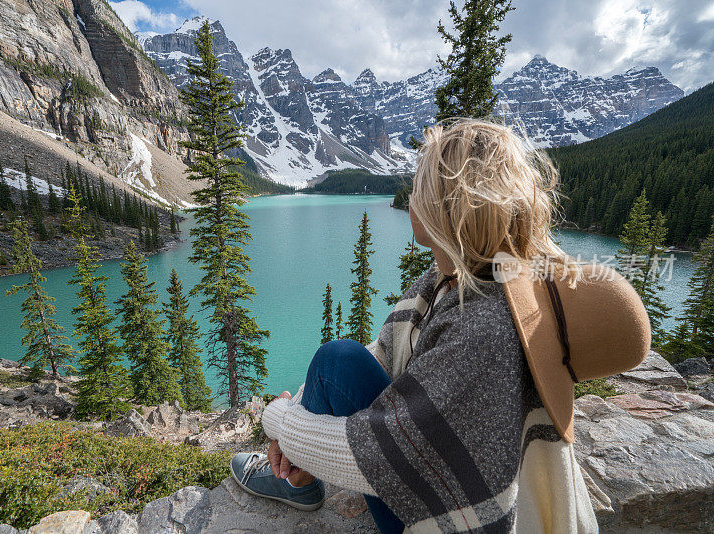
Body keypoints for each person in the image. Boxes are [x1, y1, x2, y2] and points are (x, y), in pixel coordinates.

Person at [229, 119, 650, 533]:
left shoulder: (484, 326)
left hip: (458, 519)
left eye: (419, 187)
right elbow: (381, 353)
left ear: (447, 207)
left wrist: (280, 420)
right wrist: (303, 406)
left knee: (336, 360)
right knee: (337, 360)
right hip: (443, 473)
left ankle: (293, 479)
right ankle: (296, 475)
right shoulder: (454, 279)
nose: (410, 197)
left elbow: (375, 459)